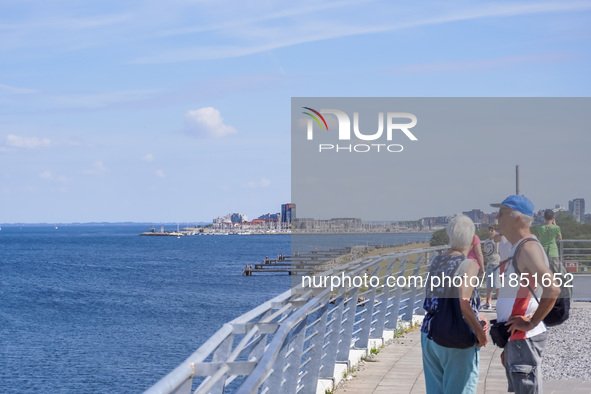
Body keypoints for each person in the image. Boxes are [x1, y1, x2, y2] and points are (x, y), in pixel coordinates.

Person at [491, 195, 560, 394]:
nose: (497, 217)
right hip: (517, 339)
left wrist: (531, 323)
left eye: (502, 213)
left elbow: (553, 288)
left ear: (517, 218)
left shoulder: (528, 249)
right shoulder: (521, 247)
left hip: (524, 337)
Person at [421, 214, 488, 394]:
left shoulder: (435, 261)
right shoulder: (470, 265)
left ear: (448, 238)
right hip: (457, 337)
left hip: (430, 333)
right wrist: (480, 333)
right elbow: (463, 303)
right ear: (473, 240)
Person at [483, 225, 501, 309]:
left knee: (497, 284)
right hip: (489, 264)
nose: (490, 232)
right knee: (489, 285)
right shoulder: (487, 241)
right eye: (489, 230)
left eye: (492, 230)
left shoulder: (497, 241)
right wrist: (485, 261)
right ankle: (488, 302)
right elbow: (486, 252)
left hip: (496, 264)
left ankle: (499, 303)